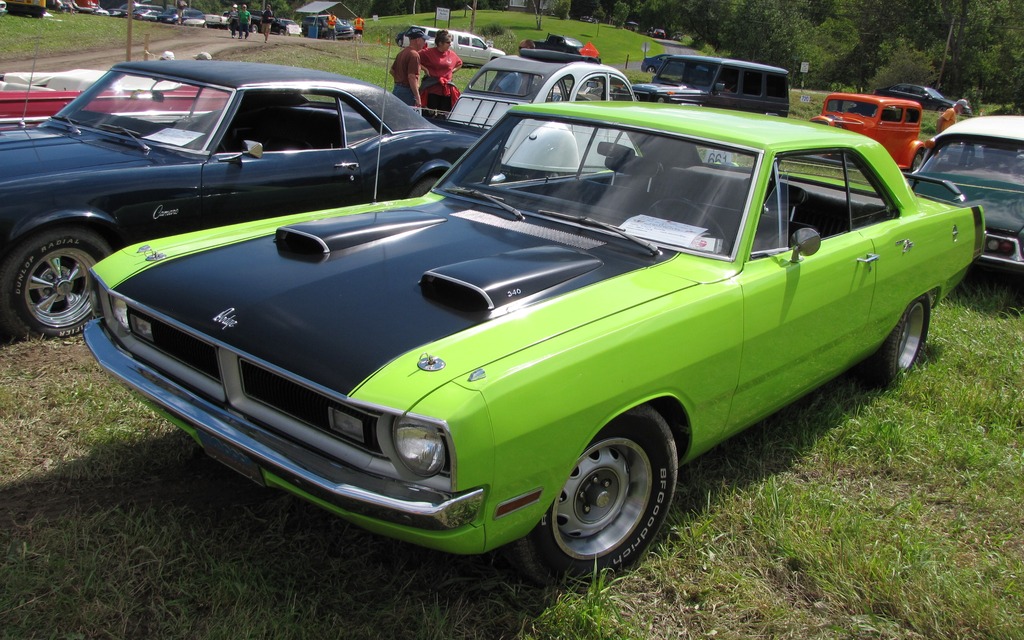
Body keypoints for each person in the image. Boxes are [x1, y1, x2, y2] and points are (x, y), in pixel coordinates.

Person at [418, 30, 463, 116]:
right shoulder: (428, 52)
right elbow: (414, 59)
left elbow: (460, 63)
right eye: (448, 42)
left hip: (446, 91)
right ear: (440, 43)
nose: (450, 44)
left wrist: (451, 71)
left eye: (450, 42)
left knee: (443, 115)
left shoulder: (452, 54)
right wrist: (425, 69)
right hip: (432, 89)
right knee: (429, 114)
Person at [390, 28, 426, 108]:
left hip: (397, 89)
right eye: (423, 39)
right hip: (407, 92)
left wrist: (400, 80)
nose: (424, 42)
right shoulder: (414, 55)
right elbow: (412, 77)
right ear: (418, 40)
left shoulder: (402, 52)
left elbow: (392, 71)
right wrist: (417, 96)